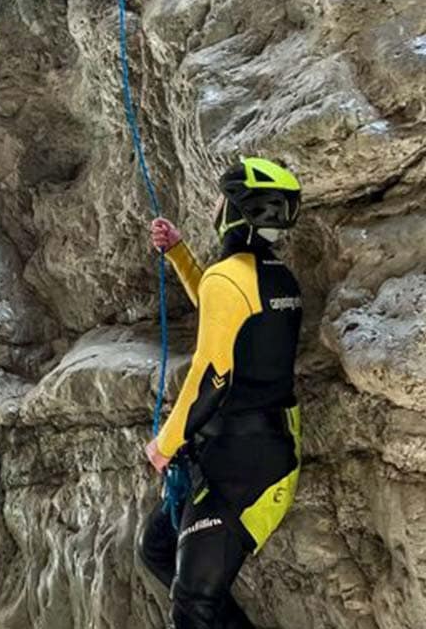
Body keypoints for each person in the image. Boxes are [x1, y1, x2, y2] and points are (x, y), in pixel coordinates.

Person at [138, 157, 303, 628]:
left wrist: (165, 444)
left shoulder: (230, 277)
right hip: (256, 448)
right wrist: (179, 255)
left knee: (193, 603)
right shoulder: (276, 279)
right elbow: (225, 322)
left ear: (236, 209)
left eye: (220, 198)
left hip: (243, 461)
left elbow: (213, 374)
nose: (214, 205)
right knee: (159, 550)